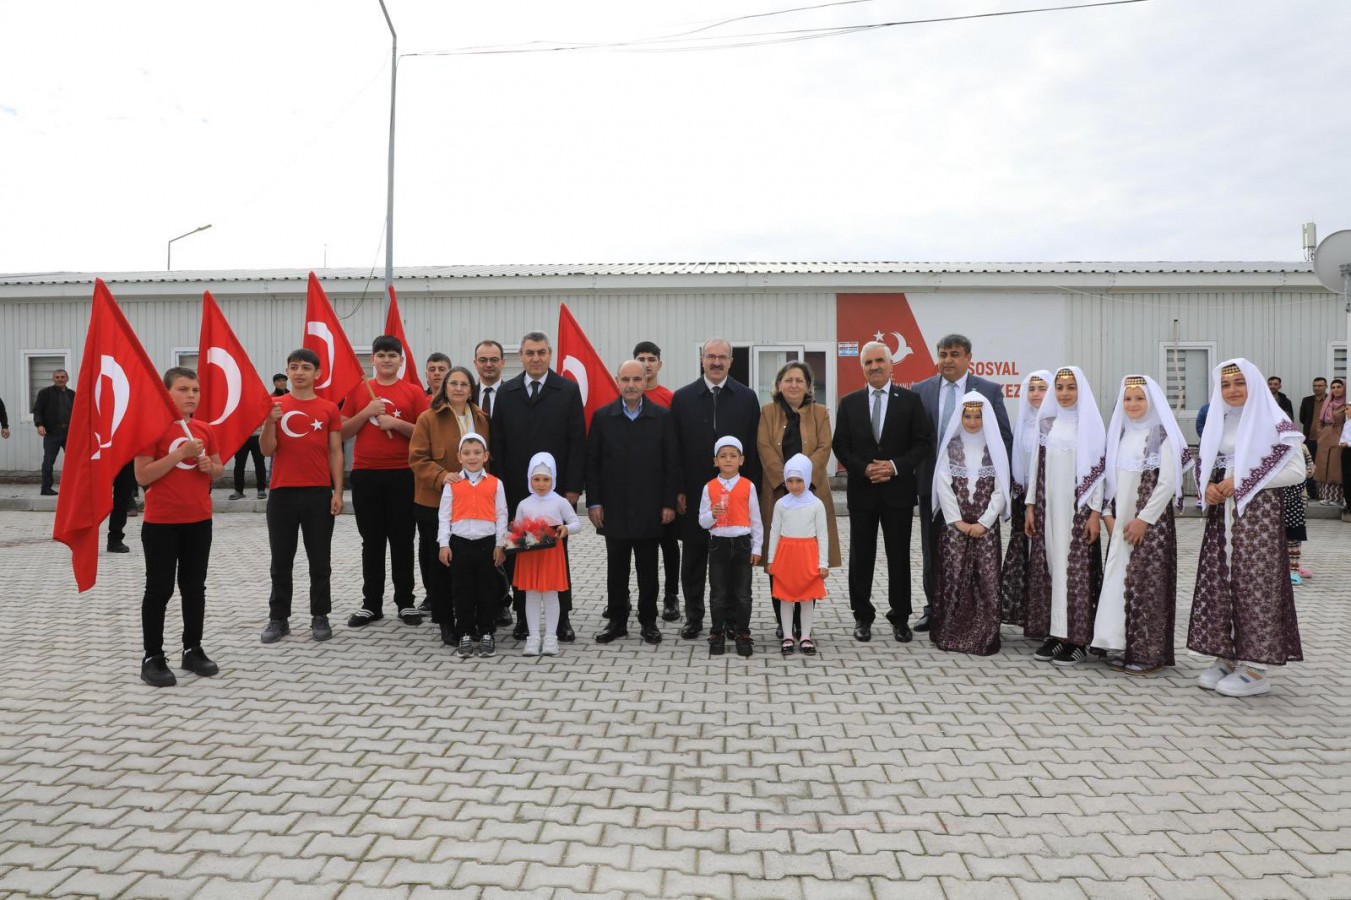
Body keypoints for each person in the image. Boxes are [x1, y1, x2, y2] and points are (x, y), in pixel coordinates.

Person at [1188, 358, 1304, 697]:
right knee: (1223, 581)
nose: (1233, 390)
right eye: (1225, 385)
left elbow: (1296, 471)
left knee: (1257, 584)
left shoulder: (1273, 420)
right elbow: (1211, 463)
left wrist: (1243, 481)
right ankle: (1226, 656)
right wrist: (1208, 487)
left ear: (1253, 385)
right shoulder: (1219, 420)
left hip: (1258, 519)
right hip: (1222, 518)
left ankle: (1256, 667)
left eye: (1239, 383)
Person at [832, 341, 933, 643]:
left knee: (899, 557)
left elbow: (922, 443)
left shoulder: (910, 401)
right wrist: (863, 469)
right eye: (868, 362)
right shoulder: (849, 403)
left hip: (897, 493)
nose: (874, 366)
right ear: (861, 367)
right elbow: (841, 445)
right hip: (863, 493)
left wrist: (893, 466)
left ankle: (900, 618)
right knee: (861, 557)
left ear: (892, 365)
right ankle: (862, 616)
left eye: (880, 361)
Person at [490, 332, 587, 642]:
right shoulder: (507, 392)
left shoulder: (568, 390)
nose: (535, 358)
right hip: (519, 492)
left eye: (541, 352)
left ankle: (562, 620)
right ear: (521, 355)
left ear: (550, 354)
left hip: (555, 495)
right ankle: (523, 618)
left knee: (557, 554)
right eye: (529, 352)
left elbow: (576, 442)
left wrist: (572, 489)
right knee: (521, 556)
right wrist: (502, 491)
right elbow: (499, 444)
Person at [912, 335, 1012, 633]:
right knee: (934, 549)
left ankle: (977, 610)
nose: (948, 360)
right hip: (934, 484)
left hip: (978, 488)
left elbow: (1003, 437)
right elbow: (917, 438)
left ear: (969, 358)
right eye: (943, 354)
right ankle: (934, 608)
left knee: (975, 552)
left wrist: (996, 479)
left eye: (955, 354)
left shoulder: (989, 390)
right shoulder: (921, 390)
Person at [133, 367, 224, 687]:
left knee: (194, 587)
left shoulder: (204, 429)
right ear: (166, 393)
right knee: (159, 589)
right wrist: (181, 455)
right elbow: (143, 476)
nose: (191, 396)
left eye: (195, 390)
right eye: (183, 389)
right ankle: (152, 656)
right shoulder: (151, 429)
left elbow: (218, 468)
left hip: (199, 520)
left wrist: (209, 466)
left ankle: (192, 648)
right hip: (161, 523)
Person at [1091, 375, 1184, 675]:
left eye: (1139, 398)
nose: (1132, 404)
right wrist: (1107, 514)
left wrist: (1144, 520)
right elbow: (1109, 481)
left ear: (1152, 402)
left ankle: (1150, 653)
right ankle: (1121, 644)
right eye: (1127, 399)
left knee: (1148, 585)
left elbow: (1168, 483)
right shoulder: (1118, 435)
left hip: (1150, 524)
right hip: (1121, 524)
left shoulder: (1162, 435)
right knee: (1121, 582)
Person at [669, 338, 761, 640]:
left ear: (731, 362)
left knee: (733, 566)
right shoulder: (682, 399)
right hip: (697, 495)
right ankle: (694, 616)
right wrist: (678, 489)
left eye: (722, 357)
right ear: (701, 359)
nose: (717, 362)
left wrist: (753, 495)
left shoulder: (747, 398)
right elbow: (675, 450)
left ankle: (732, 620)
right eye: (711, 357)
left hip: (736, 498)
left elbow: (754, 450)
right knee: (693, 560)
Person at [339, 335, 430, 630]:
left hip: (404, 474)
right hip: (366, 474)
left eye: (393, 355)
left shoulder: (413, 392)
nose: (387, 359)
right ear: (373, 360)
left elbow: (425, 432)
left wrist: (397, 424)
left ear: (401, 360)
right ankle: (371, 604)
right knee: (372, 542)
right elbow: (341, 431)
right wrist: (366, 413)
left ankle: (405, 601)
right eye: (381, 354)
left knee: (403, 541)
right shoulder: (358, 391)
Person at [587, 360, 678, 645]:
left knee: (648, 569)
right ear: (617, 380)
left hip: (649, 508)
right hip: (613, 508)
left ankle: (648, 621)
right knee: (617, 568)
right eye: (625, 379)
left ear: (645, 380)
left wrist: (667, 503)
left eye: (636, 379)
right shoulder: (603, 417)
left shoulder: (662, 417)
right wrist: (595, 502)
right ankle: (617, 621)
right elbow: (593, 464)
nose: (630, 385)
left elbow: (670, 465)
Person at [259, 349, 344, 644]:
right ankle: (278, 618)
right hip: (282, 493)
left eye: (306, 367)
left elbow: (335, 451)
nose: (299, 372)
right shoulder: (275, 405)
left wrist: (338, 490)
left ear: (317, 374)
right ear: (287, 371)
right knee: (281, 560)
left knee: (319, 560)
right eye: (293, 367)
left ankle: (320, 615)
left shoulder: (329, 408)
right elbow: (267, 450)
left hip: (318, 494)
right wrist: (270, 421)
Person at [1023, 366, 1105, 667]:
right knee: (1051, 568)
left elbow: (1099, 474)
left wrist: (1095, 513)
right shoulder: (1047, 424)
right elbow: (1035, 468)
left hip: (1077, 511)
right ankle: (1056, 634)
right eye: (1060, 388)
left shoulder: (1091, 425)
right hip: (1047, 509)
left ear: (1081, 391)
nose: (1065, 393)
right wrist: (1030, 506)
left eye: (1071, 388)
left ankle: (1078, 639)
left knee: (1076, 573)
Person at [756, 360, 840, 640]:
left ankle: (803, 623)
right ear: (779, 385)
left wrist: (802, 482)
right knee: (779, 556)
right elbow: (764, 446)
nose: (793, 385)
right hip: (778, 493)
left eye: (799, 380)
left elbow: (824, 447)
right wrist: (785, 482)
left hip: (812, 493)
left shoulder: (820, 413)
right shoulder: (767, 412)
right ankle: (783, 619)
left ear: (808, 387)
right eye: (788, 379)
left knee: (809, 557)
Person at [409, 365, 489, 644]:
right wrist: (443, 477)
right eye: (452, 383)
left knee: (470, 565)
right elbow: (417, 459)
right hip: (434, 502)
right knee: (440, 564)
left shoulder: (481, 418)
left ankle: (471, 618)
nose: (458, 388)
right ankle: (444, 621)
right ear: (444, 388)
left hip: (472, 506)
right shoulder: (428, 418)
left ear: (471, 389)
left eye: (463, 384)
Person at [930, 393, 1008, 656]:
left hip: (986, 530)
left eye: (978, 416)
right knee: (954, 577)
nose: (972, 422)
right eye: (967, 416)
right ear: (959, 418)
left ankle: (986, 632)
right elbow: (943, 485)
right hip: (955, 529)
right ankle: (951, 630)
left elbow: (1001, 490)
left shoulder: (994, 447)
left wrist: (984, 523)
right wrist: (958, 522)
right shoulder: (951, 447)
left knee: (985, 579)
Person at [437, 433, 508, 658]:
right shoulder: (452, 484)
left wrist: (500, 544)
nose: (472, 457)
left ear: (486, 456)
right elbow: (444, 515)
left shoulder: (496, 484)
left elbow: (502, 514)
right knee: (462, 591)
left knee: (487, 590)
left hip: (487, 545)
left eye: (477, 452)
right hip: (460, 545)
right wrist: (444, 544)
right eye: (466, 453)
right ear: (459, 456)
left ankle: (487, 632)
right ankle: (465, 632)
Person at [511, 452, 584, 657]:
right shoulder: (524, 504)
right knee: (531, 595)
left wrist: (566, 529)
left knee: (551, 595)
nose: (541, 484)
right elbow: (516, 530)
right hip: (529, 557)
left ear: (553, 479)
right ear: (529, 479)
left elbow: (576, 522)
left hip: (552, 556)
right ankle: (533, 637)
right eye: (536, 479)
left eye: (546, 479)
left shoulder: (559, 501)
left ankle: (551, 637)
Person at [698, 436, 764, 657]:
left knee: (743, 593)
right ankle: (717, 632)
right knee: (718, 593)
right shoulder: (709, 487)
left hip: (743, 544)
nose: (728, 460)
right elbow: (702, 521)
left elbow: (756, 519)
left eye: (733, 456)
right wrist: (711, 515)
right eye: (723, 456)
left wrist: (757, 548)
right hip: (718, 544)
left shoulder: (748, 486)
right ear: (715, 461)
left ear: (742, 460)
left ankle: (742, 633)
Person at [997, 370, 1051, 633]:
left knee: (1048, 558)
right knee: (1028, 557)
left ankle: (1051, 617)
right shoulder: (1023, 422)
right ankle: (1032, 616)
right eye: (1032, 389)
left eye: (1042, 388)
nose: (1036, 394)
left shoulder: (1056, 422)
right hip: (1024, 500)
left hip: (1050, 501)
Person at [765, 453, 830, 656]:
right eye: (790, 480)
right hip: (786, 556)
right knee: (785, 598)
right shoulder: (781, 504)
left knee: (806, 598)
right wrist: (771, 560)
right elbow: (774, 531)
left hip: (807, 555)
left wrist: (823, 562)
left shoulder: (816, 504)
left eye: (799, 480)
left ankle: (805, 636)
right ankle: (787, 635)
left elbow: (823, 535)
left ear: (808, 479)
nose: (794, 485)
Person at [634, 339, 680, 621]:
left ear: (659, 364)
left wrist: (676, 491)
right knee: (634, 549)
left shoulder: (670, 398)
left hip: (663, 489)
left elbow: (675, 448)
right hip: (635, 492)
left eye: (652, 359)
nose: (647, 363)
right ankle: (628, 598)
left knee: (668, 546)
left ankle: (671, 597)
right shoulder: (626, 396)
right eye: (642, 359)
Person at [33, 368, 74, 495]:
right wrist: (39, 425)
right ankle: (46, 488)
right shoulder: (45, 393)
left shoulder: (73, 394)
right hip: (52, 432)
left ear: (67, 379)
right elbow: (38, 410)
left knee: (74, 461)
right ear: (53, 379)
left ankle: (73, 487)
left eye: (62, 377)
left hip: (70, 433)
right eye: (57, 377)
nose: (60, 379)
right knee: (48, 461)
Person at [1310, 378, 1346, 507]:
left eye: (1339, 387)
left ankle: (1337, 498)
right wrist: (1321, 434)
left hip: (1339, 438)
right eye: (1333, 387)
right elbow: (1320, 421)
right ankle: (1326, 496)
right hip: (1325, 438)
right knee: (1323, 467)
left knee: (1335, 469)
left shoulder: (1346, 404)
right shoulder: (1328, 403)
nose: (1336, 389)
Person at [1286, 443, 1314, 584]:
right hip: (1274, 499)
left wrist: (1301, 473)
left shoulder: (1301, 447)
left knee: (1294, 536)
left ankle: (1294, 569)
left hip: (1296, 499)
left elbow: (1311, 468)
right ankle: (1283, 567)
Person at [1299, 377, 1327, 500]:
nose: (1317, 388)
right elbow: (1302, 418)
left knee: (1324, 466)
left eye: (1320, 385)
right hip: (1310, 439)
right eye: (1315, 385)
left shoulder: (1330, 401)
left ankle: (1324, 494)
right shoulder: (1307, 400)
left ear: (1325, 387)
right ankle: (1311, 492)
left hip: (1326, 440)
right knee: (1309, 466)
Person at [228, 422, 268, 501]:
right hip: (241, 436)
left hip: (258, 435)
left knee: (260, 463)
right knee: (239, 465)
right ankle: (238, 490)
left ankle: (261, 489)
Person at [472, 340, 506, 419]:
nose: (488, 365)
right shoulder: (468, 396)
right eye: (483, 360)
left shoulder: (514, 395)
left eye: (494, 359)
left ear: (503, 362)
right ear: (475, 364)